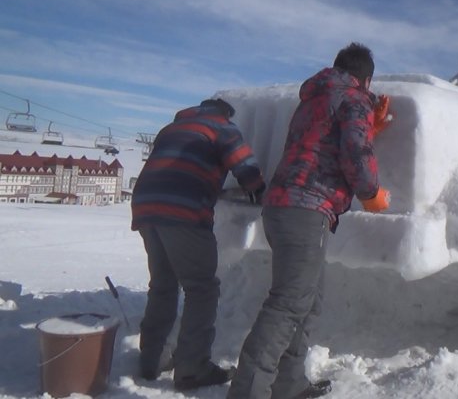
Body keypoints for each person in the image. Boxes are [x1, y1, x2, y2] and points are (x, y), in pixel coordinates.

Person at [227, 42, 392, 399]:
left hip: (284, 204)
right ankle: (247, 391)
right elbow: (355, 153)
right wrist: (371, 192)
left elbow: (323, 143)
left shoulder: (315, 98)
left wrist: (369, 127)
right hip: (307, 207)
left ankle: (289, 384)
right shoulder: (354, 99)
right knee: (288, 302)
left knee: (308, 299)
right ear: (365, 79)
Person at [131, 98, 266, 391]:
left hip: (145, 207)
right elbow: (243, 163)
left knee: (163, 284)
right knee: (201, 288)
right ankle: (192, 369)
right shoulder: (222, 127)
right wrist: (258, 190)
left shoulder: (172, 128)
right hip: (183, 209)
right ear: (225, 113)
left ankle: (151, 359)